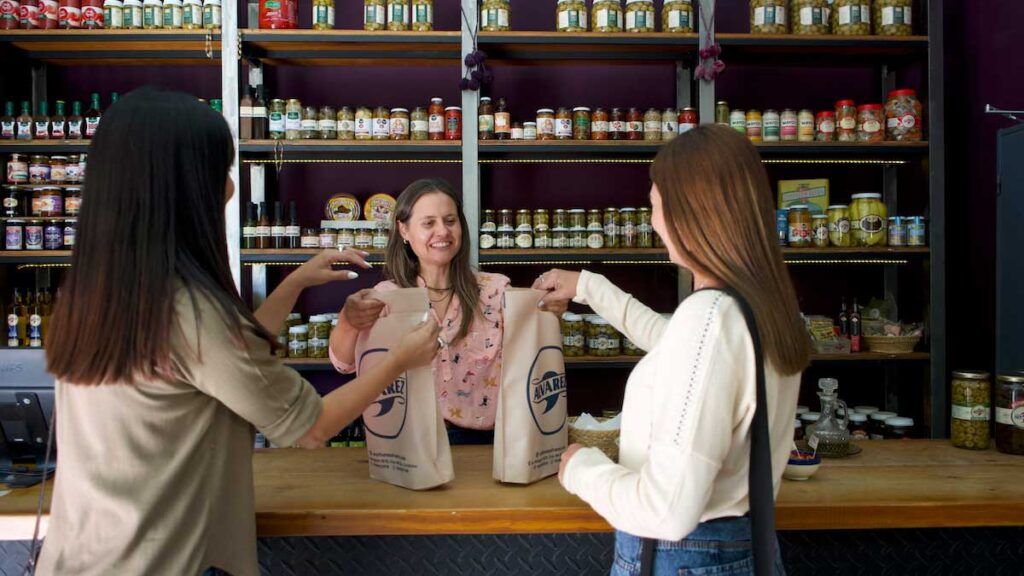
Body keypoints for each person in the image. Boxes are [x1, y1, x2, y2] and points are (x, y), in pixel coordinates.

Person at [35, 88, 441, 576]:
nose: (230, 190)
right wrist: (400, 359)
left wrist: (293, 282)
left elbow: (226, 366)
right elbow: (310, 428)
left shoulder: (100, 293)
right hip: (163, 561)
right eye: (220, 173)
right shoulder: (189, 311)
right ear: (184, 186)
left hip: (85, 556)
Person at [533, 125, 809, 575]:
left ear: (690, 213)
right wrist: (588, 286)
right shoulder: (756, 308)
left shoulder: (711, 319)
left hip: (685, 559)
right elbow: (675, 350)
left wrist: (580, 467)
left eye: (656, 205)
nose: (653, 221)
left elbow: (666, 511)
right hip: (743, 545)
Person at [329, 178, 510, 443]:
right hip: (411, 441)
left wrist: (549, 311)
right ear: (404, 230)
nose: (443, 232)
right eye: (428, 223)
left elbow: (528, 357)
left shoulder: (496, 290)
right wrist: (348, 321)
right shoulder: (387, 296)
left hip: (488, 444)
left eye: (450, 221)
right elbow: (343, 364)